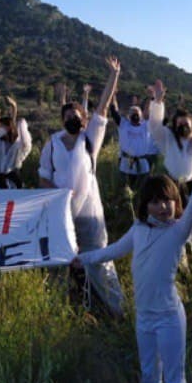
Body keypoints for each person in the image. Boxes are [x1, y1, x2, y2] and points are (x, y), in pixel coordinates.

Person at [74, 137, 192, 383]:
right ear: (145, 205)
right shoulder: (139, 230)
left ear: (175, 203)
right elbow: (111, 251)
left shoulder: (177, 232)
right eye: (155, 201)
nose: (162, 206)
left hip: (170, 317)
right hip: (144, 317)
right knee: (148, 374)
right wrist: (83, 258)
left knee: (175, 378)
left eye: (168, 200)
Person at [39, 56, 125, 318]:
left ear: (83, 120)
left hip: (89, 213)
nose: (71, 119)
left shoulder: (90, 140)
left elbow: (102, 107)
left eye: (75, 116)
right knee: (58, 261)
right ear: (61, 120)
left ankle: (116, 309)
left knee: (98, 258)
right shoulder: (52, 143)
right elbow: (43, 176)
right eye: (67, 116)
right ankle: (59, 310)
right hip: (60, 213)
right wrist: (55, 197)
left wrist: (114, 76)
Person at [147, 81, 192, 254]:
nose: (183, 127)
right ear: (174, 126)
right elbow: (155, 126)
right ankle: (182, 253)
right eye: (179, 124)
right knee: (176, 220)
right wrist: (157, 102)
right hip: (173, 185)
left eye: (186, 124)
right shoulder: (168, 139)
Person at [0, 96, 32, 189]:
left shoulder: (17, 144)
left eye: (1, 126)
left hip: (13, 183)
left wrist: (22, 126)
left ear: (8, 128)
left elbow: (26, 145)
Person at [109, 98, 158, 191]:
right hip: (126, 165)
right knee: (124, 192)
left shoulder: (146, 126)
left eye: (137, 112)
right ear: (128, 115)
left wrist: (153, 99)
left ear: (141, 115)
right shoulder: (123, 124)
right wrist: (113, 96)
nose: (135, 115)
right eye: (132, 112)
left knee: (143, 191)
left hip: (142, 166)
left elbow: (153, 113)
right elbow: (114, 112)